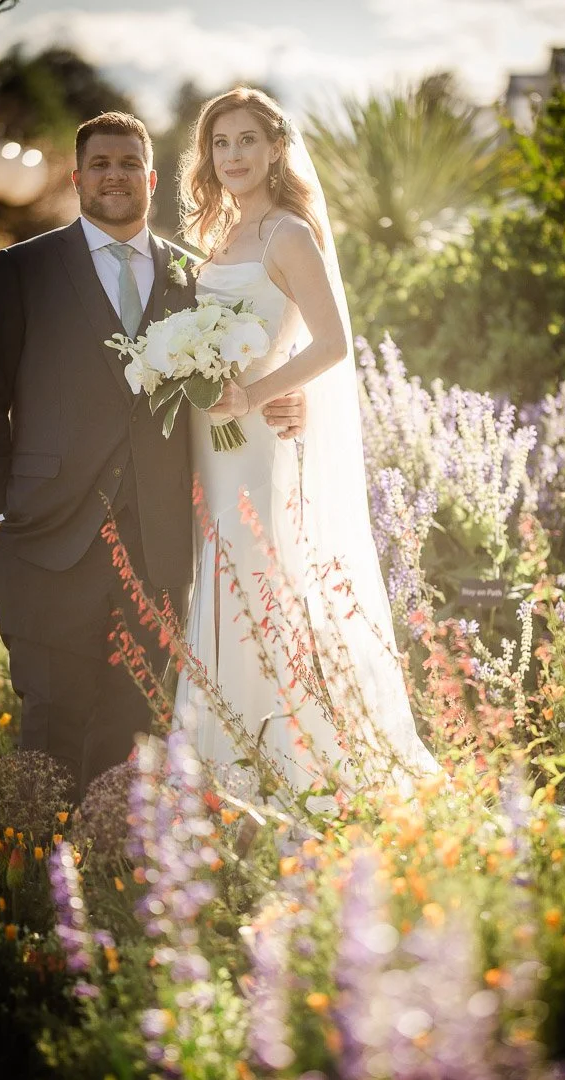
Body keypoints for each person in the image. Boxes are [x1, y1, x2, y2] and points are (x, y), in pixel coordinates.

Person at [0, 111, 304, 801]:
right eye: (101, 164)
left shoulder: (191, 275)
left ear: (150, 178)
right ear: (78, 177)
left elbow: (234, 368)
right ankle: (32, 877)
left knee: (135, 722)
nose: (115, 175)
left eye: (128, 165)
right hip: (45, 534)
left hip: (157, 541)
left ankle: (115, 876)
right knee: (50, 715)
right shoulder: (20, 270)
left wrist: (284, 399)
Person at [173, 87, 438, 791]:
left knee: (253, 580)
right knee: (216, 577)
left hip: (254, 443)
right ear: (208, 155)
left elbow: (333, 342)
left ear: (274, 149)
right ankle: (215, 763)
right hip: (205, 442)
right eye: (220, 144)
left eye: (246, 142)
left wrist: (253, 394)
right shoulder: (215, 238)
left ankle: (281, 770)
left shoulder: (289, 234)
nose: (233, 156)